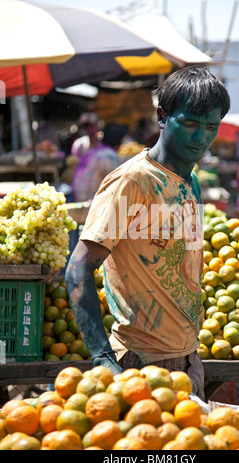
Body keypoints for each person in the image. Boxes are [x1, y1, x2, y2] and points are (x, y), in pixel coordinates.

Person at [65, 66, 230, 400]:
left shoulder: (191, 182)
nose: (200, 137)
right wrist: (103, 359)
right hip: (138, 364)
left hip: (186, 360)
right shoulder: (133, 182)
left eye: (210, 127)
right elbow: (77, 270)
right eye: (189, 124)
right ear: (162, 117)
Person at [71, 122, 128, 202]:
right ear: (120, 142)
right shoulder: (111, 156)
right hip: (89, 203)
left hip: (77, 198)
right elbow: (118, 186)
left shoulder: (95, 151)